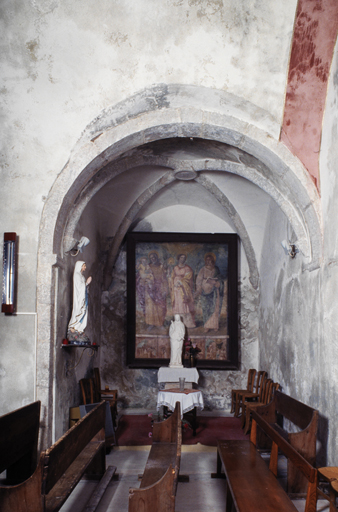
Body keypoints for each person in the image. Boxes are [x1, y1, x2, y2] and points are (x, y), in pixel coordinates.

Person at [195, 253, 224, 332]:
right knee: (206, 308)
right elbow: (198, 280)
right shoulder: (203, 269)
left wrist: (217, 282)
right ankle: (207, 326)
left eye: (210, 260)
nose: (208, 261)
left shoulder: (216, 269)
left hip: (214, 291)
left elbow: (220, 279)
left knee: (215, 307)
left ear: (213, 261)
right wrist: (199, 288)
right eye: (207, 260)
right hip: (205, 292)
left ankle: (215, 326)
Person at [169, 254, 196, 328]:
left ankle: (187, 323)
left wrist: (180, 282)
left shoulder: (187, 268)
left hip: (184, 289)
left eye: (184, 258)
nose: (182, 259)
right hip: (176, 289)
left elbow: (188, 277)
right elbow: (172, 277)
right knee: (177, 304)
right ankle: (178, 323)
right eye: (181, 257)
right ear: (178, 258)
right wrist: (173, 284)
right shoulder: (175, 268)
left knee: (184, 304)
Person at [68, 261, 92, 338]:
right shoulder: (77, 275)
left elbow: (84, 287)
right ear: (80, 266)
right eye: (84, 266)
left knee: (84, 312)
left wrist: (86, 284)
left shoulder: (82, 276)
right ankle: (73, 327)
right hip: (79, 298)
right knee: (78, 311)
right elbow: (79, 287)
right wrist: (87, 283)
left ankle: (79, 329)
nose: (85, 267)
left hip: (84, 297)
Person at [144, 251, 168, 327]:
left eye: (154, 257)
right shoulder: (148, 267)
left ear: (157, 258)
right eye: (151, 258)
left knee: (161, 306)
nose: (153, 259)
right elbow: (145, 277)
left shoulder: (161, 267)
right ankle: (151, 324)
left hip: (160, 287)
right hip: (150, 288)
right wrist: (149, 284)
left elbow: (164, 278)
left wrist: (165, 290)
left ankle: (160, 323)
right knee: (151, 306)